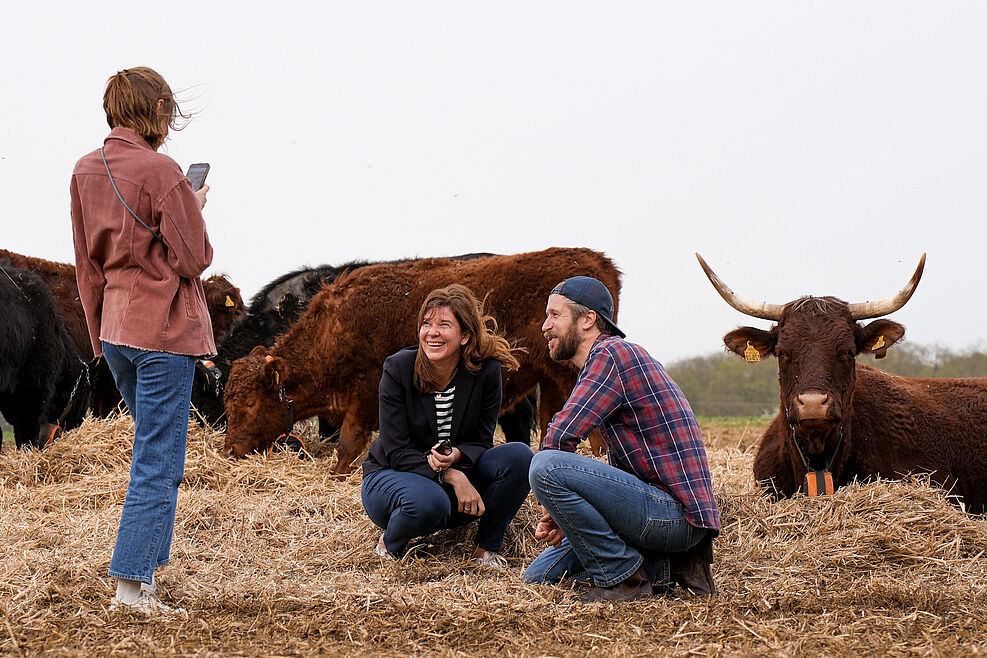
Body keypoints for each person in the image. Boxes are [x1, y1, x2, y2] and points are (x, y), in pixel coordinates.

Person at [71, 67, 214, 616]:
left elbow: (87, 264)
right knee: (159, 459)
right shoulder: (163, 172)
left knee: (155, 453)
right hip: (161, 330)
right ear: (156, 112)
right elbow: (193, 258)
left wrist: (100, 339)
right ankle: (131, 586)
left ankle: (146, 578)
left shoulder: (85, 169)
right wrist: (193, 207)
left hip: (116, 331)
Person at [522, 276, 720, 602]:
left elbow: (560, 436)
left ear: (587, 320)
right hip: (660, 513)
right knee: (539, 578)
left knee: (545, 467)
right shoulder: (617, 358)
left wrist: (554, 506)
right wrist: (565, 513)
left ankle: (624, 580)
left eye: (555, 315)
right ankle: (667, 570)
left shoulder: (610, 355)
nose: (545, 326)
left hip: (674, 515)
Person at [362, 284, 534, 568]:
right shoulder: (398, 369)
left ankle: (486, 550)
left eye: (444, 325)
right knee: (429, 503)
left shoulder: (486, 372)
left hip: (454, 484)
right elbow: (395, 450)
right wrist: (452, 476)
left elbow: (481, 440)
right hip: (395, 476)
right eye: (426, 324)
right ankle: (389, 544)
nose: (432, 332)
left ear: (465, 335)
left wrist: (456, 455)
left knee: (520, 457)